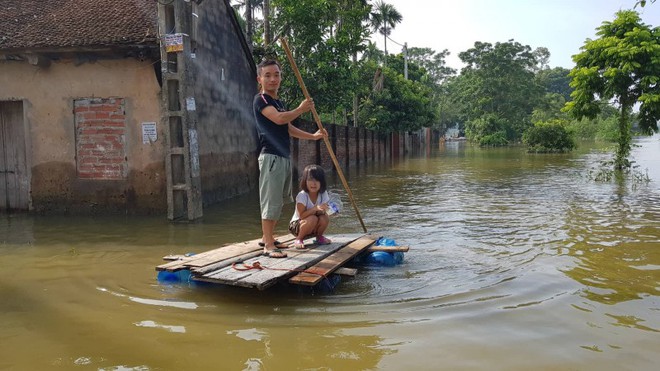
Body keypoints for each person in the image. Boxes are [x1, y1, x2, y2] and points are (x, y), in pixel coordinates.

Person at [253, 59, 326, 258]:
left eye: (276, 75)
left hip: (283, 156)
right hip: (271, 157)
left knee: (278, 199)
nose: (272, 79)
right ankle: (268, 245)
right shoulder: (262, 100)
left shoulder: (279, 102)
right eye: (267, 75)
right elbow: (278, 118)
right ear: (259, 79)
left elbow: (287, 127)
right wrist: (301, 109)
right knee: (270, 200)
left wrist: (313, 136)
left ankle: (266, 237)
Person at [288, 165, 333, 249]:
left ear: (322, 182)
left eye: (317, 180)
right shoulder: (302, 195)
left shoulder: (323, 194)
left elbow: (324, 211)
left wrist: (330, 211)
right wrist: (315, 208)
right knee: (313, 218)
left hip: (313, 224)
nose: (314, 183)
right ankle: (299, 239)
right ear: (305, 181)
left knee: (325, 217)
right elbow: (301, 216)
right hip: (297, 225)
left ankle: (319, 237)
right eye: (310, 180)